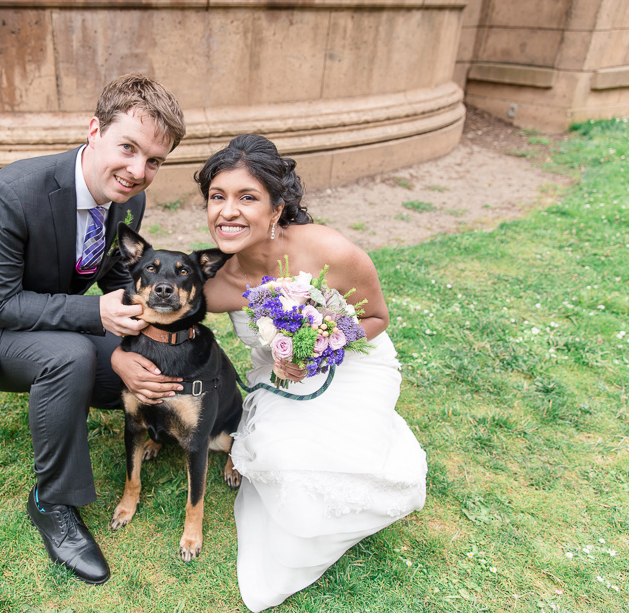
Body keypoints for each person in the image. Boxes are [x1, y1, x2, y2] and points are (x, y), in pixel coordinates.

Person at [115, 134, 428, 610]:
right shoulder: (212, 283)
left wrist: (320, 343)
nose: (228, 211)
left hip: (353, 364)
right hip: (278, 374)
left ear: (277, 208)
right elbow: (141, 312)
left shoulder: (329, 250)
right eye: (217, 197)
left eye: (247, 198)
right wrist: (120, 357)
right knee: (282, 464)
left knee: (346, 465)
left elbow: (376, 318)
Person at [0, 74, 186, 585]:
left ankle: (163, 424)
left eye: (154, 160)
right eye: (128, 148)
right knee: (70, 356)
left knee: (146, 358)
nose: (138, 171)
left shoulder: (126, 198)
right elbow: (0, 303)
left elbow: (117, 274)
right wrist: (97, 320)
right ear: (94, 130)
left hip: (45, 320)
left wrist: (149, 330)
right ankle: (53, 502)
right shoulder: (12, 193)